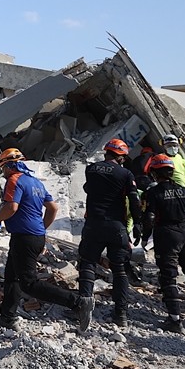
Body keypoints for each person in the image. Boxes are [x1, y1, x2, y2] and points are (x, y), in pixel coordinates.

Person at [0, 148, 95, 332]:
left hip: (24, 238)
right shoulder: (36, 182)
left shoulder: (14, 180)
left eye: (3, 168)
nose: (3, 172)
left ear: (8, 166)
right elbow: (53, 208)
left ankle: (77, 302)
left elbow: (11, 207)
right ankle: (7, 316)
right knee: (12, 276)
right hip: (34, 237)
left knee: (29, 283)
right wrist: (40, 229)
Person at [142, 155, 185, 333]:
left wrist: (145, 237)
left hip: (167, 235)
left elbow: (150, 217)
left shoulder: (153, 192)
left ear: (154, 173)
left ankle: (175, 320)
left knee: (168, 277)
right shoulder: (184, 190)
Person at [78, 138, 140, 327]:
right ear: (120, 156)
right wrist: (138, 223)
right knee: (119, 269)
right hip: (116, 226)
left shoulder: (91, 169)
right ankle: (121, 314)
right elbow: (134, 200)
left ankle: (83, 307)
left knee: (87, 263)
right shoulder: (125, 174)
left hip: (93, 224)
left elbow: (88, 188)